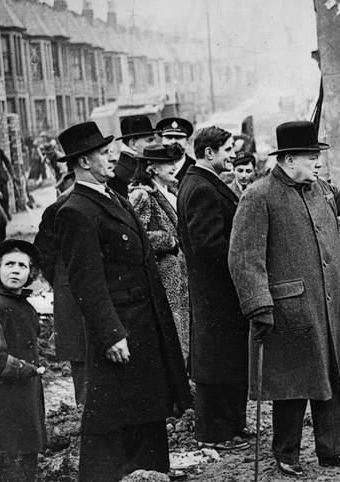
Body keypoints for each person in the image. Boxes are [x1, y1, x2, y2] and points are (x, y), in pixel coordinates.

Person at [228, 120, 340, 478]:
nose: (318, 162)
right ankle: (286, 453)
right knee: (292, 383)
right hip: (290, 308)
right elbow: (244, 257)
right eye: (311, 156)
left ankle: (334, 449)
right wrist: (258, 303)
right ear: (289, 160)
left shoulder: (320, 188)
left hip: (331, 304)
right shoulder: (259, 195)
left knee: (335, 377)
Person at [54, 122, 191, 481]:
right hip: (122, 330)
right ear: (84, 161)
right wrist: (110, 334)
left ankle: (151, 472)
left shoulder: (110, 196)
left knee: (147, 407)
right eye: (103, 153)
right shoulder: (76, 209)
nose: (111, 157)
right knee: (115, 415)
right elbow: (86, 283)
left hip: (143, 321)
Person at [177, 126, 249, 451]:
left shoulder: (200, 182)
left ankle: (231, 427)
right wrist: (241, 258)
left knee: (226, 359)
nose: (232, 155)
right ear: (209, 153)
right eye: (227, 150)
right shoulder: (202, 188)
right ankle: (215, 434)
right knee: (216, 363)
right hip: (216, 292)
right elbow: (207, 245)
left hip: (216, 291)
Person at [0, 239, 47, 482]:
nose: (15, 270)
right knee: (8, 460)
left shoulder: (25, 306)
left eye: (22, 266)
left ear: (31, 272)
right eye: (9, 264)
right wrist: (23, 369)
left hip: (24, 397)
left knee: (23, 461)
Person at [128, 145, 190, 359]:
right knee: (173, 334)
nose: (173, 167)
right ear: (151, 168)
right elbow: (135, 236)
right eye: (167, 163)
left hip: (178, 275)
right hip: (163, 275)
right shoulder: (142, 195)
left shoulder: (171, 191)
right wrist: (168, 240)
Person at [33, 185, 88, 405]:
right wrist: (63, 284)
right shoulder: (59, 209)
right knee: (83, 361)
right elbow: (43, 255)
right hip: (74, 297)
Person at [110, 115, 156, 197]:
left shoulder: (126, 166)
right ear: (133, 144)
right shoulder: (122, 173)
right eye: (150, 140)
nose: (155, 144)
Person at [156, 117, 196, 184]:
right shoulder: (155, 167)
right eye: (169, 137)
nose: (173, 141)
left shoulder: (195, 168)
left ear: (187, 142)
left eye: (179, 137)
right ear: (162, 141)